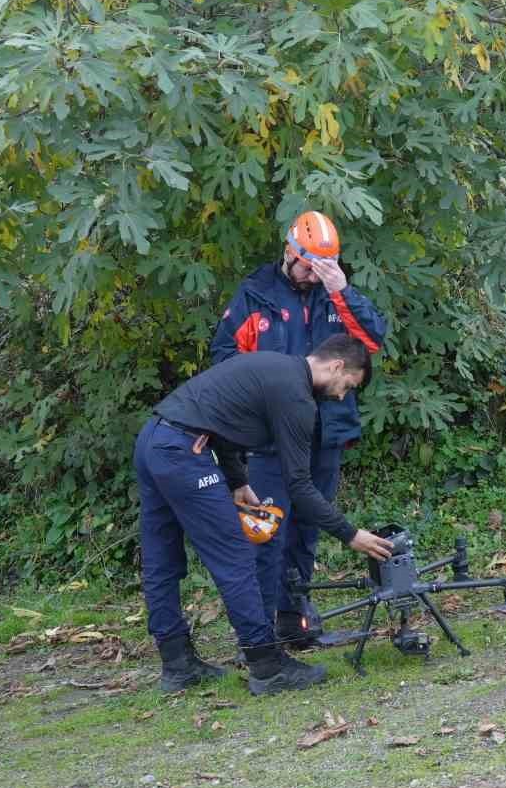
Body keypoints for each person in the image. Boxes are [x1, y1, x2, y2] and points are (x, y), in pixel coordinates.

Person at [134, 335, 394, 695]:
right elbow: (300, 486)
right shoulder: (297, 397)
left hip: (153, 440)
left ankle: (177, 664)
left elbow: (219, 416)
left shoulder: (273, 367)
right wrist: (351, 534)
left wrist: (238, 480)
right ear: (336, 366)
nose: (341, 396)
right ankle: (267, 666)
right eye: (348, 386)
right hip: (182, 453)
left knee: (161, 560)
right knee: (237, 556)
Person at [210, 211, 388, 647]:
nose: (314, 273)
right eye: (309, 263)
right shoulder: (256, 294)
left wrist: (340, 287)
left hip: (326, 430)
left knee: (308, 529)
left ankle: (294, 620)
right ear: (290, 252)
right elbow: (225, 362)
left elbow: (372, 342)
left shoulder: (335, 293)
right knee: (267, 530)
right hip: (269, 439)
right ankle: (257, 633)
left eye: (324, 265)